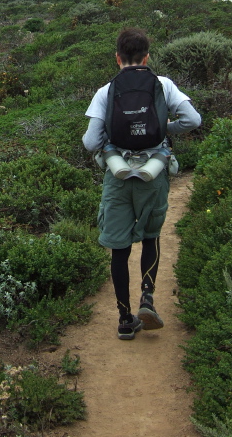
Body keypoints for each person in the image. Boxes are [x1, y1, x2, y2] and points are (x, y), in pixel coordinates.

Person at [82, 27, 202, 339]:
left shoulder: (106, 90)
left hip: (117, 175)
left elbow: (90, 141)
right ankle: (147, 298)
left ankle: (125, 319)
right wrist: (164, 128)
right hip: (154, 173)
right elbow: (193, 120)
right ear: (147, 57)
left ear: (117, 58)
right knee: (151, 236)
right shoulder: (163, 85)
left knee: (119, 247)